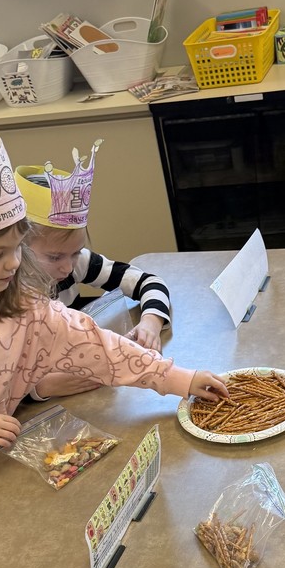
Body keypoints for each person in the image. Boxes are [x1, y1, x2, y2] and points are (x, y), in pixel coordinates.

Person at [0, 141, 228, 568]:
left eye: (18, 248)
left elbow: (101, 349)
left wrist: (179, 380)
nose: (14, 263)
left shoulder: (25, 306)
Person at [15, 139, 171, 400]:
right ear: (16, 246)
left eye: (75, 252)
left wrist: (151, 323)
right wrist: (38, 389)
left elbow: (148, 282)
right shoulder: (3, 292)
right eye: (54, 257)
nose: (67, 267)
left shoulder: (78, 263)